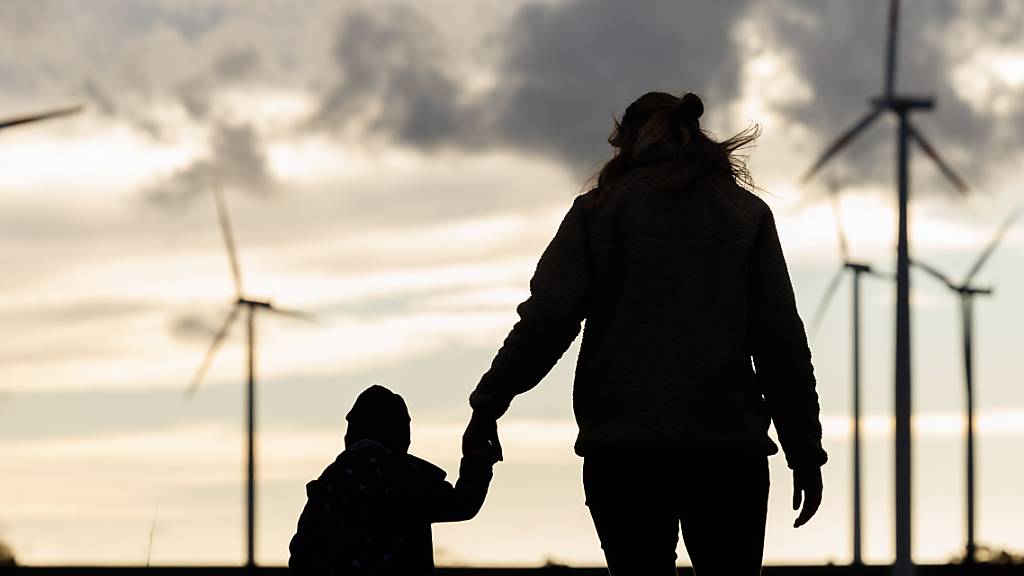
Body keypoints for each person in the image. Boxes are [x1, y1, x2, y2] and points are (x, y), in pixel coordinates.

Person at [463, 91, 827, 575]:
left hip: (624, 451)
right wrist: (803, 447)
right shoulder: (745, 214)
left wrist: (489, 403)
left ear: (627, 141)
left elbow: (547, 321)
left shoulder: (598, 212)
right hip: (726, 453)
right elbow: (780, 342)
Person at [289, 384, 500, 575]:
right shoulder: (405, 477)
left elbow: (302, 549)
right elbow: (462, 504)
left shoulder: (330, 481)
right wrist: (477, 461)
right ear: (400, 433)